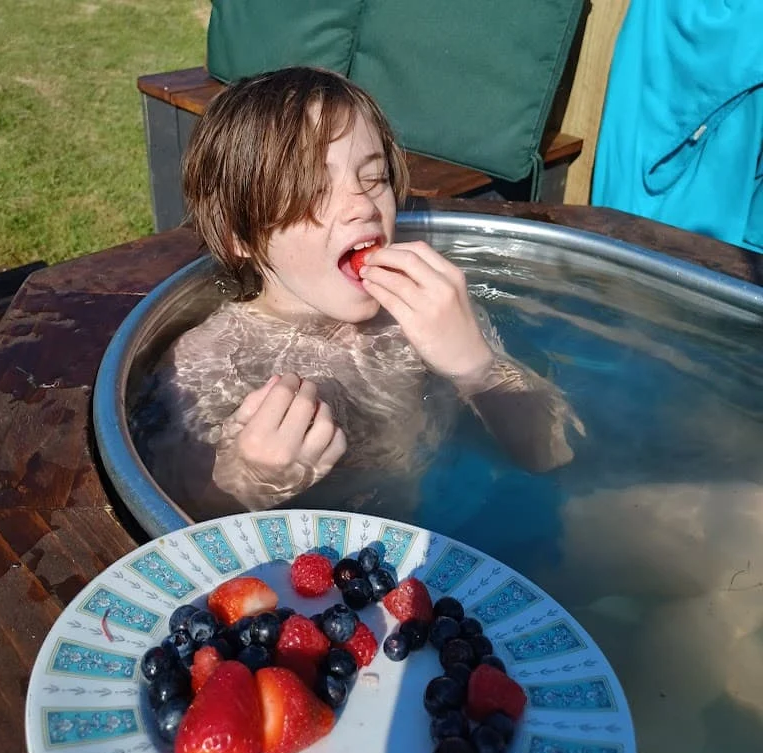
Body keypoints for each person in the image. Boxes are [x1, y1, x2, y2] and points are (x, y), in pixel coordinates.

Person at [143, 67, 581, 520]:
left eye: (373, 178)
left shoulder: (424, 310)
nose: (363, 205)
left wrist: (476, 366)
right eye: (313, 188)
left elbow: (550, 454)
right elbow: (174, 514)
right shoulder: (208, 360)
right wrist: (245, 481)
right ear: (241, 235)